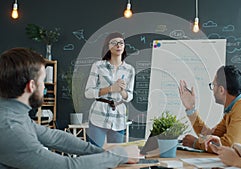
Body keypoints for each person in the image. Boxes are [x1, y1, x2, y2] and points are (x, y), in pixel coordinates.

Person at [0, 48, 140, 169]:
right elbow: (68, 166)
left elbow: (55, 137)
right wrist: (119, 155)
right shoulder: (10, 128)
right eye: (42, 81)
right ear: (31, 86)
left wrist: (100, 152)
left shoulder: (15, 115)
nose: (44, 87)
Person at [178, 65, 241, 152]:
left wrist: (196, 143)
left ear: (221, 90)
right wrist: (191, 109)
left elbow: (228, 146)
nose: (212, 90)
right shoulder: (234, 108)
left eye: (214, 85)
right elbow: (211, 136)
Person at [85, 32, 135, 147]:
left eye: (121, 43)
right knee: (95, 152)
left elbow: (129, 96)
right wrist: (111, 88)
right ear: (108, 46)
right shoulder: (98, 66)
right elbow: (88, 93)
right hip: (98, 114)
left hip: (119, 116)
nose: (118, 45)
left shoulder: (129, 69)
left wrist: (121, 90)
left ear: (124, 46)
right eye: (114, 43)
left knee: (116, 154)